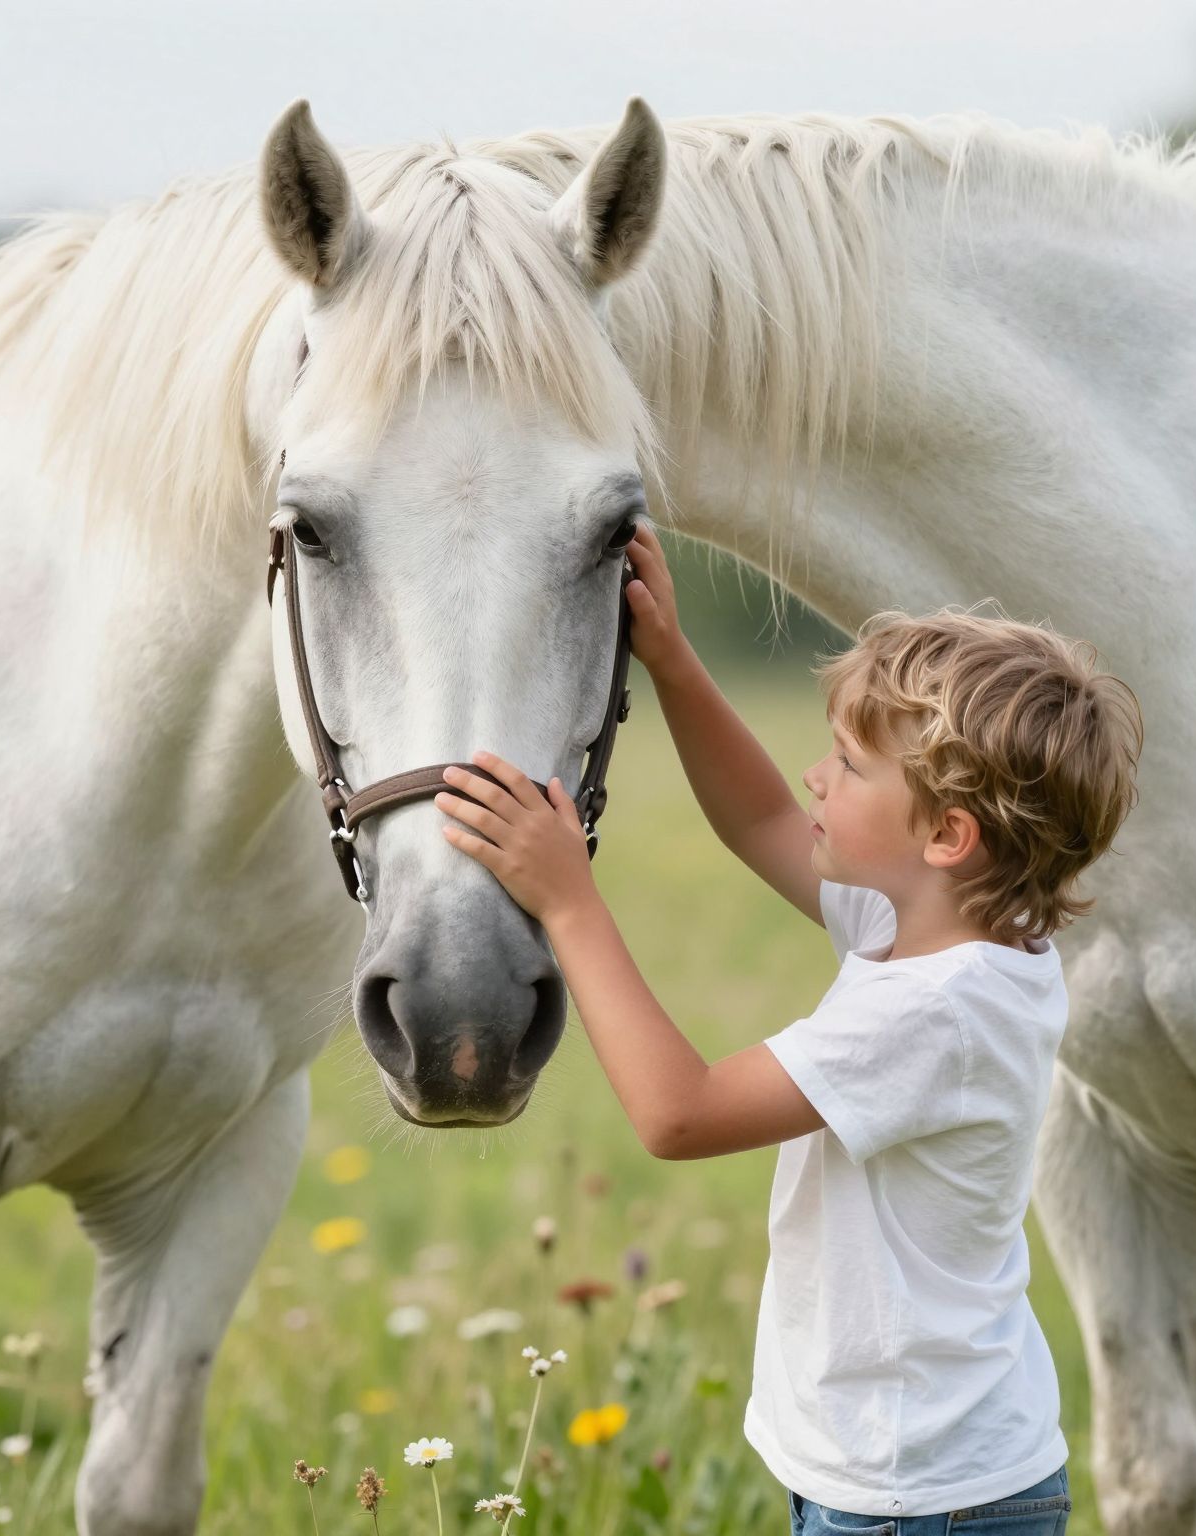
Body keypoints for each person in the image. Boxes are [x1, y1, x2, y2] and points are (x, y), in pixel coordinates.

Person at [434, 522, 1143, 1535]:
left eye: (850, 768)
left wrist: (568, 903)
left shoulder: (934, 1008)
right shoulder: (940, 929)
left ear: (945, 836)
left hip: (914, 1498)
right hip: (912, 1470)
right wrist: (672, 662)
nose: (816, 777)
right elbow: (762, 820)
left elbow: (678, 1115)